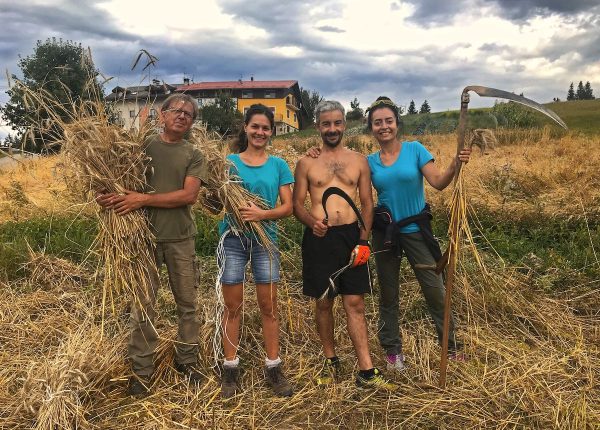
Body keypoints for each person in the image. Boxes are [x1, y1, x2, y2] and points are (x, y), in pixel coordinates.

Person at [307, 96, 471, 372]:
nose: (384, 127)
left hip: (416, 230)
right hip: (385, 234)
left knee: (435, 291)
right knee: (388, 294)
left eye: (388, 121)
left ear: (397, 124)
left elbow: (439, 183)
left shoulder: (415, 150)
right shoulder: (368, 162)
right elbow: (342, 171)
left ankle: (450, 348)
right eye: (377, 122)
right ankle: (393, 353)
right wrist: (316, 151)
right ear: (371, 127)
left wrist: (456, 163)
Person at [96, 94, 208, 397]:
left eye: (189, 114)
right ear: (162, 114)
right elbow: (113, 182)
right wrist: (107, 196)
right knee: (143, 306)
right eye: (177, 111)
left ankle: (188, 361)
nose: (183, 116)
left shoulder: (194, 154)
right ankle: (141, 371)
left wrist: (142, 199)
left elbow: (188, 196)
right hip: (142, 239)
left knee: (187, 304)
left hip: (181, 239)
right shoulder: (138, 148)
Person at [293, 100, 398, 391]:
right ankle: (331, 359)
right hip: (319, 239)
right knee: (324, 301)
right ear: (318, 127)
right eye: (326, 124)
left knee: (355, 302)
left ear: (344, 124)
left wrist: (363, 240)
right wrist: (311, 222)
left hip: (351, 236)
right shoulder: (306, 163)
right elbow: (297, 205)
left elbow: (367, 202)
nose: (332, 129)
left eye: (337, 123)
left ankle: (366, 369)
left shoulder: (359, 160)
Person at [218, 104, 294, 399]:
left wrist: (262, 216)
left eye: (265, 128)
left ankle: (273, 368)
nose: (260, 132)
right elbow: (215, 198)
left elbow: (287, 207)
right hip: (233, 239)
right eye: (255, 127)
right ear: (246, 128)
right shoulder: (228, 163)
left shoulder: (279, 165)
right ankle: (230, 369)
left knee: (268, 307)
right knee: (233, 307)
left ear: (271, 132)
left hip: (266, 241)